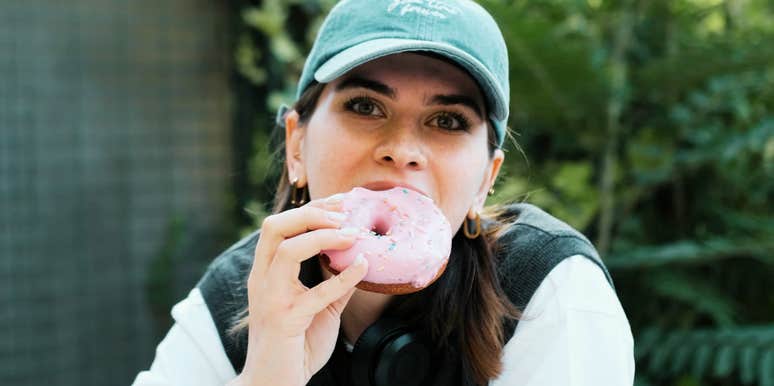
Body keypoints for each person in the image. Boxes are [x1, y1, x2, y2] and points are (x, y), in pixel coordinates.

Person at [133, 0, 635, 385]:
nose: (402, 149)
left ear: (486, 179)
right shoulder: (233, 298)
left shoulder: (548, 290)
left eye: (447, 120)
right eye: (365, 107)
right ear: (297, 146)